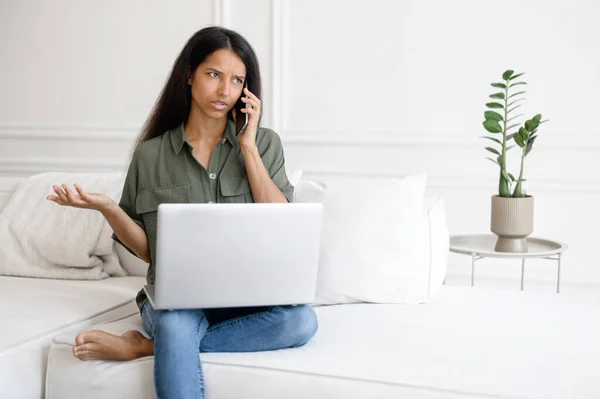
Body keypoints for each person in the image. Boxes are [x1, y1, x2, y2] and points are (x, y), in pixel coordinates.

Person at [46, 26, 318, 399]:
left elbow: (281, 223)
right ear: (189, 74)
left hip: (246, 299)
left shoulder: (264, 143)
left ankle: (143, 347)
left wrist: (249, 148)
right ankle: (168, 341)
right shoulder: (151, 155)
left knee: (301, 321)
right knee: (175, 326)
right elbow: (147, 251)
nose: (225, 90)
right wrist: (108, 207)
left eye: (237, 80)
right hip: (179, 300)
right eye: (214, 75)